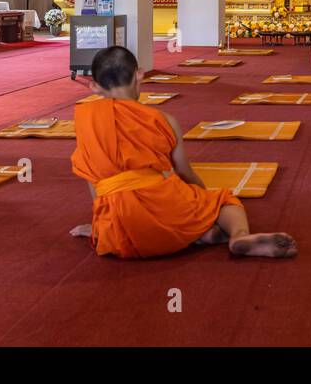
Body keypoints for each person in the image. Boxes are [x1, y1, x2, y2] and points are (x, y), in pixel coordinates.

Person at [69, 46, 297, 259]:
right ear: (139, 74)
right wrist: (205, 200)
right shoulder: (163, 120)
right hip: (167, 209)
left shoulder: (87, 121)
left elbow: (94, 181)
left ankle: (204, 234)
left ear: (94, 86)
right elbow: (184, 171)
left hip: (120, 234)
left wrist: (100, 222)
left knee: (150, 213)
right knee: (223, 200)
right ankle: (236, 234)